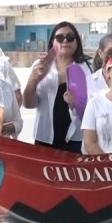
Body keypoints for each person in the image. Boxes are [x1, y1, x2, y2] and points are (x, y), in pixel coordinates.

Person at [23, 21, 92, 152]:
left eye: (70, 37)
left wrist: (75, 104)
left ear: (77, 41)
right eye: (60, 38)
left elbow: (94, 105)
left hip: (77, 138)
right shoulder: (40, 66)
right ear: (52, 43)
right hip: (45, 138)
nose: (65, 41)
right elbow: (28, 104)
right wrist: (33, 79)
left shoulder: (88, 68)